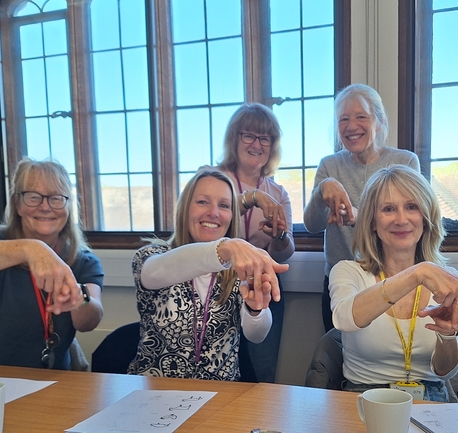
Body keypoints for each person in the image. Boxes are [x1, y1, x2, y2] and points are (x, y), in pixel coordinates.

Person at [329, 165, 458, 402]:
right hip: (364, 397)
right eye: (389, 209)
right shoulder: (348, 271)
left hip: (431, 398)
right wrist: (416, 273)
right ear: (372, 221)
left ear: (425, 217)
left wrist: (448, 335)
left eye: (411, 207)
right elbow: (345, 319)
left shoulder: (448, 278)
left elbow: (446, 371)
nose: (401, 219)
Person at [128, 168, 288, 380]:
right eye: (203, 202)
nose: (214, 213)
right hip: (156, 392)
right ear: (185, 208)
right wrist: (224, 247)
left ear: (232, 216)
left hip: (220, 395)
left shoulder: (237, 269)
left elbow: (256, 336)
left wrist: (256, 309)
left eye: (224, 205)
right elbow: (155, 272)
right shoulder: (151, 256)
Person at [0, 159, 103, 370]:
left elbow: (88, 322)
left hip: (51, 380)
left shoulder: (83, 260)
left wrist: (79, 298)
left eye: (56, 198)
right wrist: (30, 249)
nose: (45, 207)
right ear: (17, 204)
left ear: (68, 207)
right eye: (33, 197)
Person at [304, 83, 420, 332]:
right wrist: (323, 188)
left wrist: (360, 216)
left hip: (394, 278)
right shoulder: (329, 166)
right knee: (341, 361)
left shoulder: (405, 161)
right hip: (341, 283)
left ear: (378, 122)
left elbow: (410, 221)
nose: (351, 126)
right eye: (343, 119)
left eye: (361, 117)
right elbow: (312, 225)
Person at [218, 103, 293, 383]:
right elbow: (209, 220)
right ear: (234, 138)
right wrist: (252, 198)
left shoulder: (278, 191)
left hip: (262, 283)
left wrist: (280, 237)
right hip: (216, 284)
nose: (257, 144)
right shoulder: (213, 178)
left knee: (262, 371)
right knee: (216, 363)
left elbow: (285, 254)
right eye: (248, 135)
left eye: (265, 138)